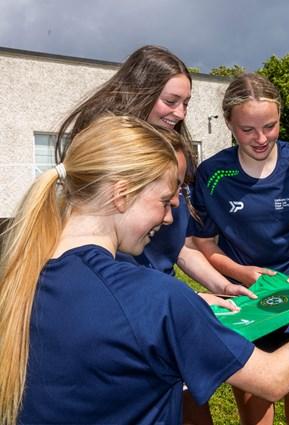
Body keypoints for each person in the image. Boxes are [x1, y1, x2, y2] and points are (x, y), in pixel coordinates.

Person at [0, 115, 289, 425]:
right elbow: (271, 380)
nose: (169, 216)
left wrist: (192, 302)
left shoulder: (18, 280)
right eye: (163, 201)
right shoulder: (153, 298)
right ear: (121, 194)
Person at [53, 45, 253, 423]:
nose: (179, 113)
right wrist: (181, 303)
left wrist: (220, 286)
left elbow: (176, 243)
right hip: (127, 314)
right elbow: (271, 379)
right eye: (171, 101)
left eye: (186, 103)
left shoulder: (172, 153)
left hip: (162, 304)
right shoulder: (111, 157)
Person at [191, 73, 289, 425]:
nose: (261, 139)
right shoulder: (212, 175)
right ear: (228, 123)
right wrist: (241, 274)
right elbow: (204, 245)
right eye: (247, 130)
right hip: (248, 308)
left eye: (270, 126)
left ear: (280, 118)